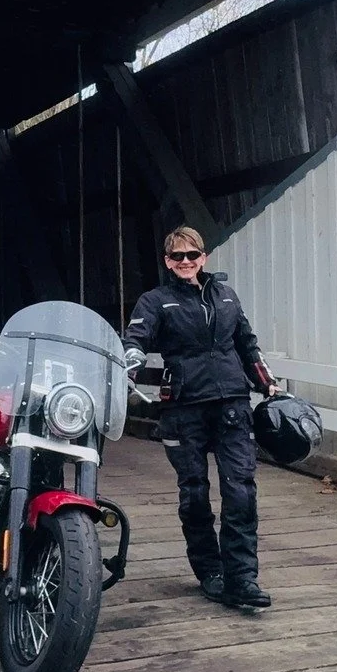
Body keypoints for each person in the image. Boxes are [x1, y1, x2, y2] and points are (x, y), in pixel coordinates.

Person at [123, 226, 277, 610]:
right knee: (194, 493)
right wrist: (127, 366)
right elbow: (135, 341)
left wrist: (267, 383)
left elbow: (246, 343)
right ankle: (211, 572)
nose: (186, 262)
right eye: (178, 257)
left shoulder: (226, 296)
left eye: (193, 255)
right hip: (183, 407)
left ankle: (243, 578)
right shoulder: (155, 301)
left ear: (204, 258)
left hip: (232, 405)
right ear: (167, 261)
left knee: (240, 490)